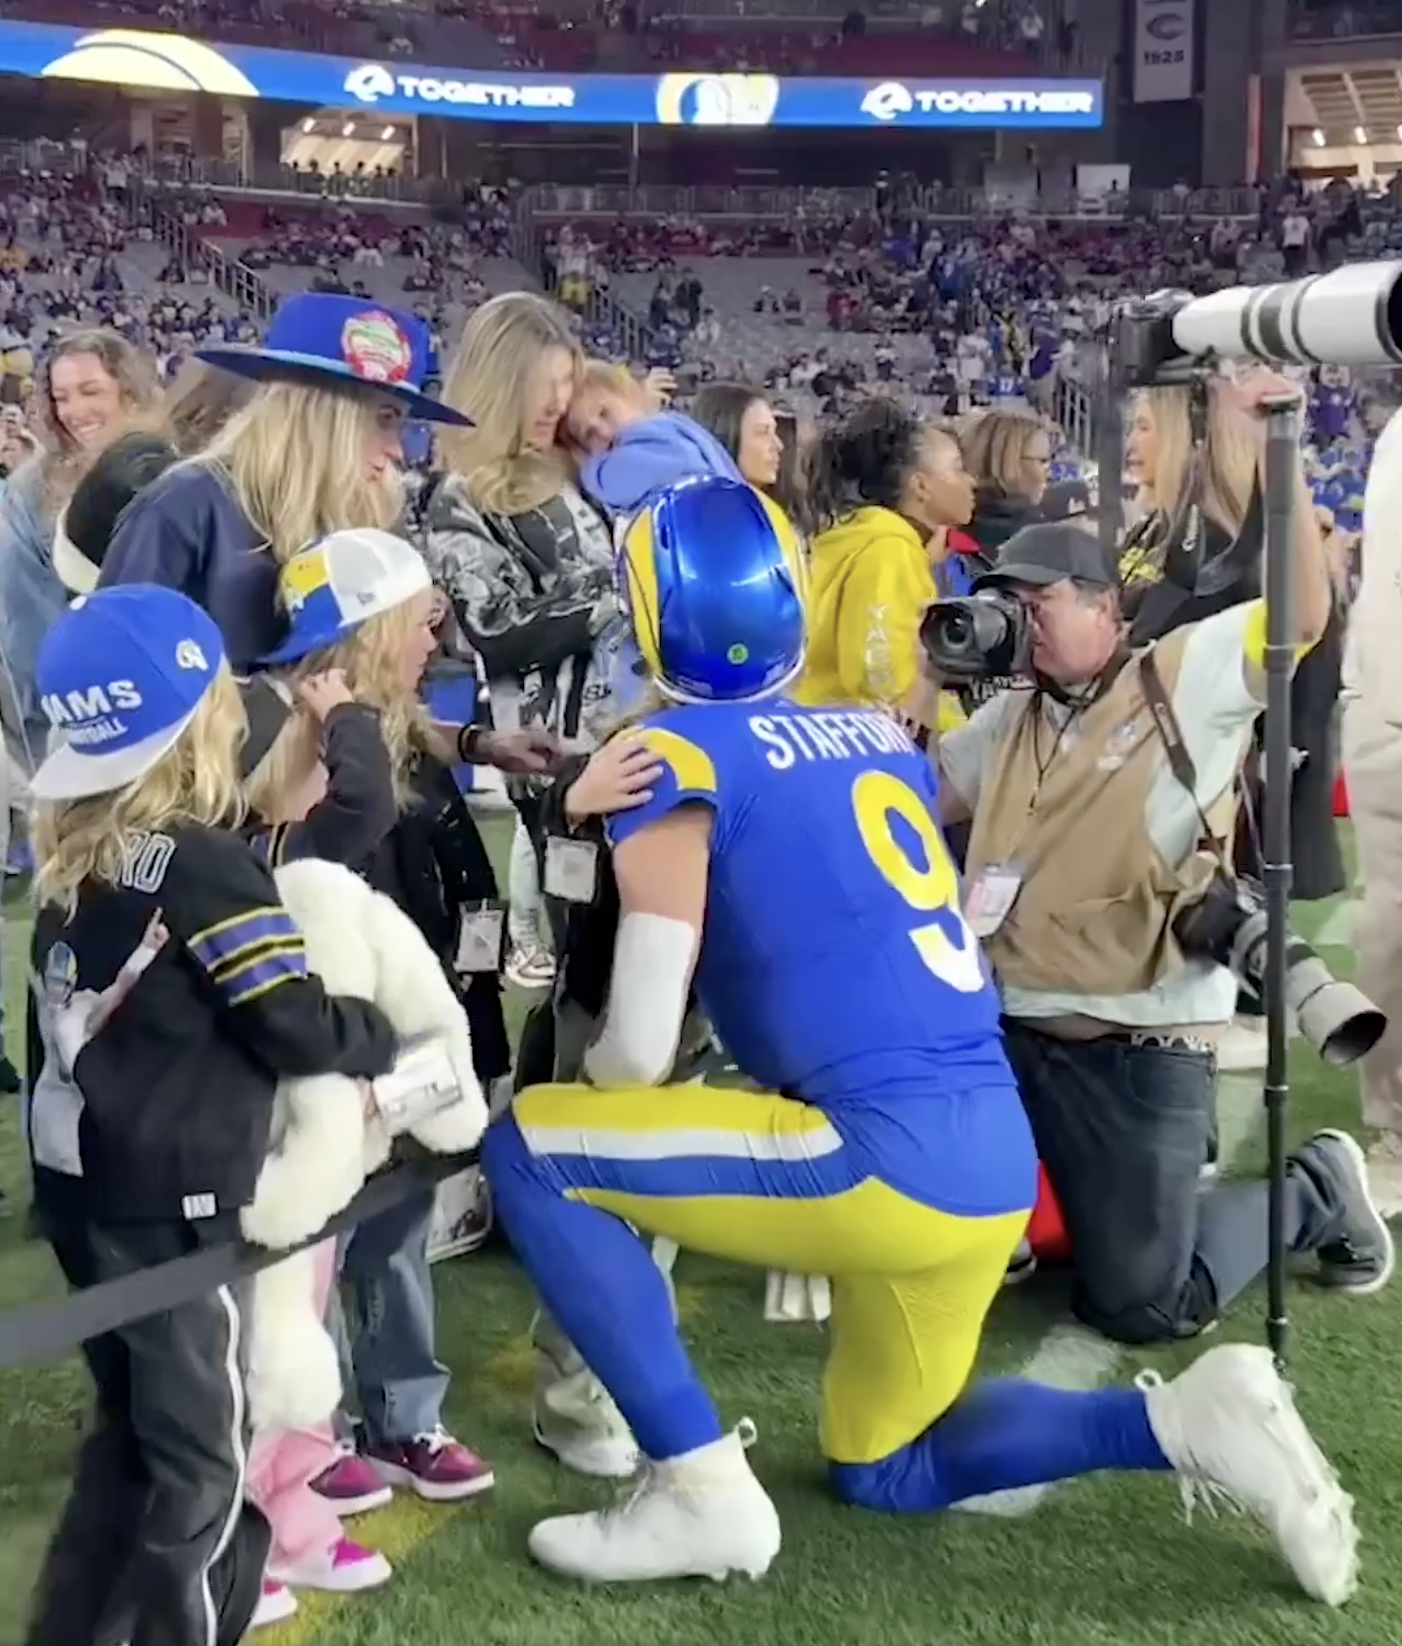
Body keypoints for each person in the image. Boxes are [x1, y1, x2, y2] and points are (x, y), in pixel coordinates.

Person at [482, 475, 1359, 1606]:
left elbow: (641, 1047)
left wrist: (608, 1107)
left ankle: (692, 1479)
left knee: (536, 1147)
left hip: (872, 1153)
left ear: (648, 613)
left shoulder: (677, 759)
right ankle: (1179, 1417)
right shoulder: (873, 737)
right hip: (984, 1155)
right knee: (886, 1464)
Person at [22, 584, 398, 1646]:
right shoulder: (203, 863)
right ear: (201, 719)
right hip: (176, 1211)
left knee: (131, 1447)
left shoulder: (73, 859)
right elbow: (292, 1022)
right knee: (201, 1463)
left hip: (84, 1193)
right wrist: (378, 1032)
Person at [933, 516, 1390, 1347]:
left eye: (1041, 602)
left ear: (1108, 608)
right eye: (1007, 606)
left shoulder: (1181, 674)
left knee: (1142, 1305)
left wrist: (1269, 457)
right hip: (1007, 1034)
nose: (1021, 624)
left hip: (1134, 1045)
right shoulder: (1009, 721)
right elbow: (911, 798)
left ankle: (1316, 1188)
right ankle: (1014, 1224)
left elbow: (1300, 621)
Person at [798, 398, 975, 737]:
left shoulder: (869, 537)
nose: (971, 481)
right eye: (957, 468)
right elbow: (878, 678)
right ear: (921, 485)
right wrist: (966, 732)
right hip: (857, 751)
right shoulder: (888, 547)